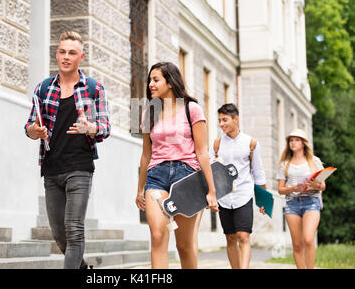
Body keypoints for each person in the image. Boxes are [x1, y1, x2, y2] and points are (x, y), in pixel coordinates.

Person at [24, 31, 110, 269]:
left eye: (72, 53)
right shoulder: (43, 88)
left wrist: (90, 128)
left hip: (79, 169)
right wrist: (35, 131)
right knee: (59, 234)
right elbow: (29, 127)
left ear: (80, 57)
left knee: (74, 231)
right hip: (51, 169)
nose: (66, 56)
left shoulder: (94, 88)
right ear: (57, 53)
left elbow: (105, 127)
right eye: (62, 51)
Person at [135, 61, 218, 269]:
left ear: (170, 82)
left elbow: (201, 152)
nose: (150, 85)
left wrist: (211, 190)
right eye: (150, 81)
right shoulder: (149, 112)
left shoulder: (193, 109)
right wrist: (140, 188)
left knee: (184, 245)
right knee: (157, 234)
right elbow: (146, 154)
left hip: (187, 177)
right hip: (156, 176)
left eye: (156, 80)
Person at [209, 103, 267, 269]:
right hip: (224, 197)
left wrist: (263, 200)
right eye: (219, 120)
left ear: (236, 119)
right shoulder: (216, 145)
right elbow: (209, 171)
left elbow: (258, 173)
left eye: (225, 120)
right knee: (230, 238)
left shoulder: (251, 143)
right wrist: (210, 195)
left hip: (244, 194)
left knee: (243, 236)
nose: (221, 124)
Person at [276, 128, 325, 269]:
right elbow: (280, 189)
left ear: (303, 143)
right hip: (292, 204)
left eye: (297, 140)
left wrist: (314, 184)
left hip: (311, 202)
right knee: (297, 245)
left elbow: (323, 186)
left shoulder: (314, 161)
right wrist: (293, 188)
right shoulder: (285, 164)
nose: (293, 142)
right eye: (291, 140)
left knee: (308, 239)